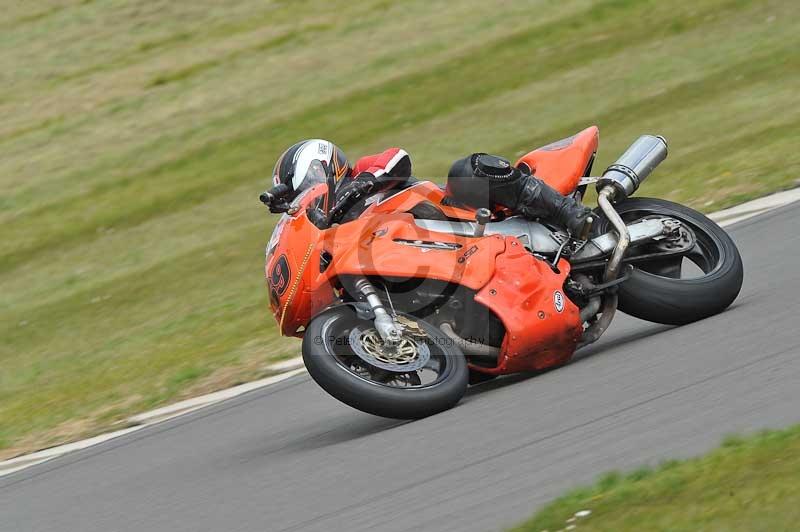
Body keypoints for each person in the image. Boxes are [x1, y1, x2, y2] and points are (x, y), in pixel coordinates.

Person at [264, 139, 591, 235]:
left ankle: (566, 212)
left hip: (461, 215)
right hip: (427, 257)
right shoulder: (332, 232)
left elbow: (398, 158)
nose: (309, 196)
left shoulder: (361, 172)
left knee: (466, 170)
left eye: (307, 186)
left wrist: (358, 186)